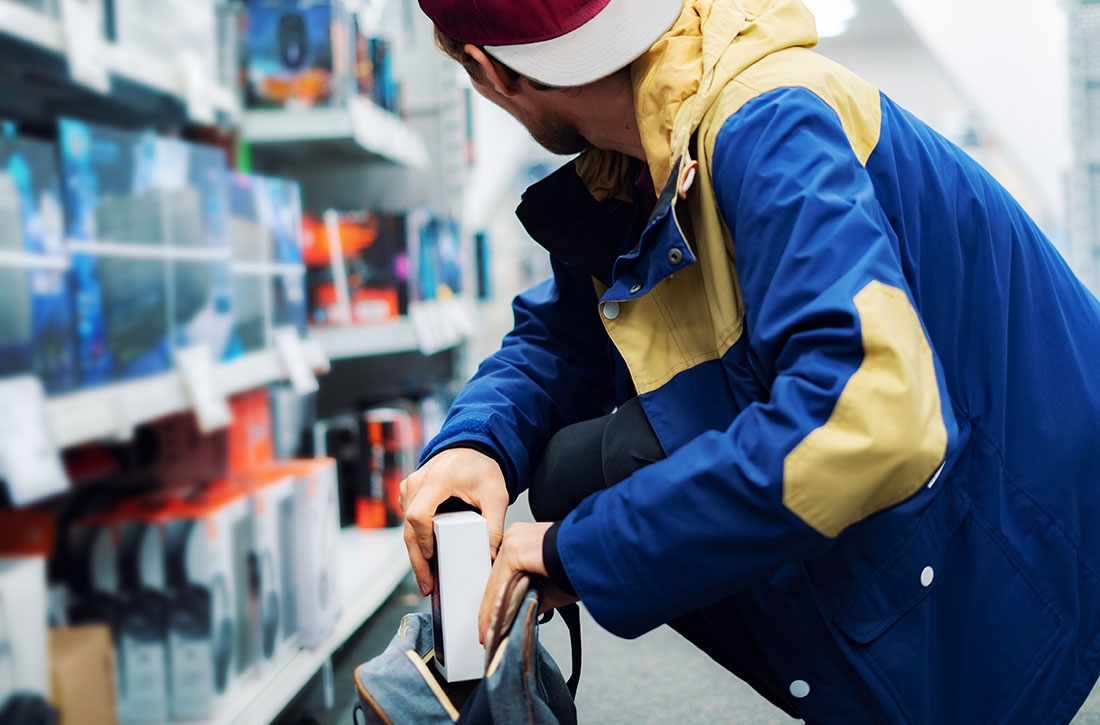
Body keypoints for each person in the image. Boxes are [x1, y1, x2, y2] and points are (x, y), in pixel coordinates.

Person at [399, 0, 1100, 721]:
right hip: (975, 491)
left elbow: (869, 418)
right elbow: (563, 336)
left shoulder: (767, 124)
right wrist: (475, 443)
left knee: (610, 466)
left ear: (486, 71)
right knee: (576, 464)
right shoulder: (637, 153)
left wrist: (580, 552)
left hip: (1041, 526)